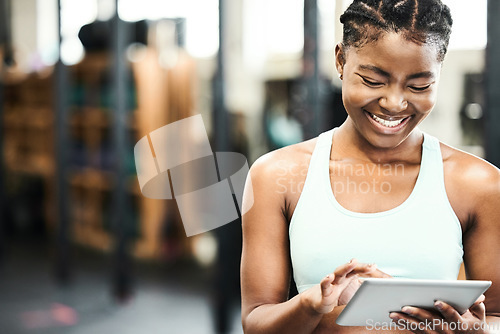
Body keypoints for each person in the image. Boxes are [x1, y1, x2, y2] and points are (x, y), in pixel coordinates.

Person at [240, 0, 500, 333]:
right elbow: (256, 323)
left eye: (419, 85)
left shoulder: (478, 183)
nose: (394, 103)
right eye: (373, 81)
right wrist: (310, 305)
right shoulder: (276, 175)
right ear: (341, 60)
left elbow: (495, 317)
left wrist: (476, 331)